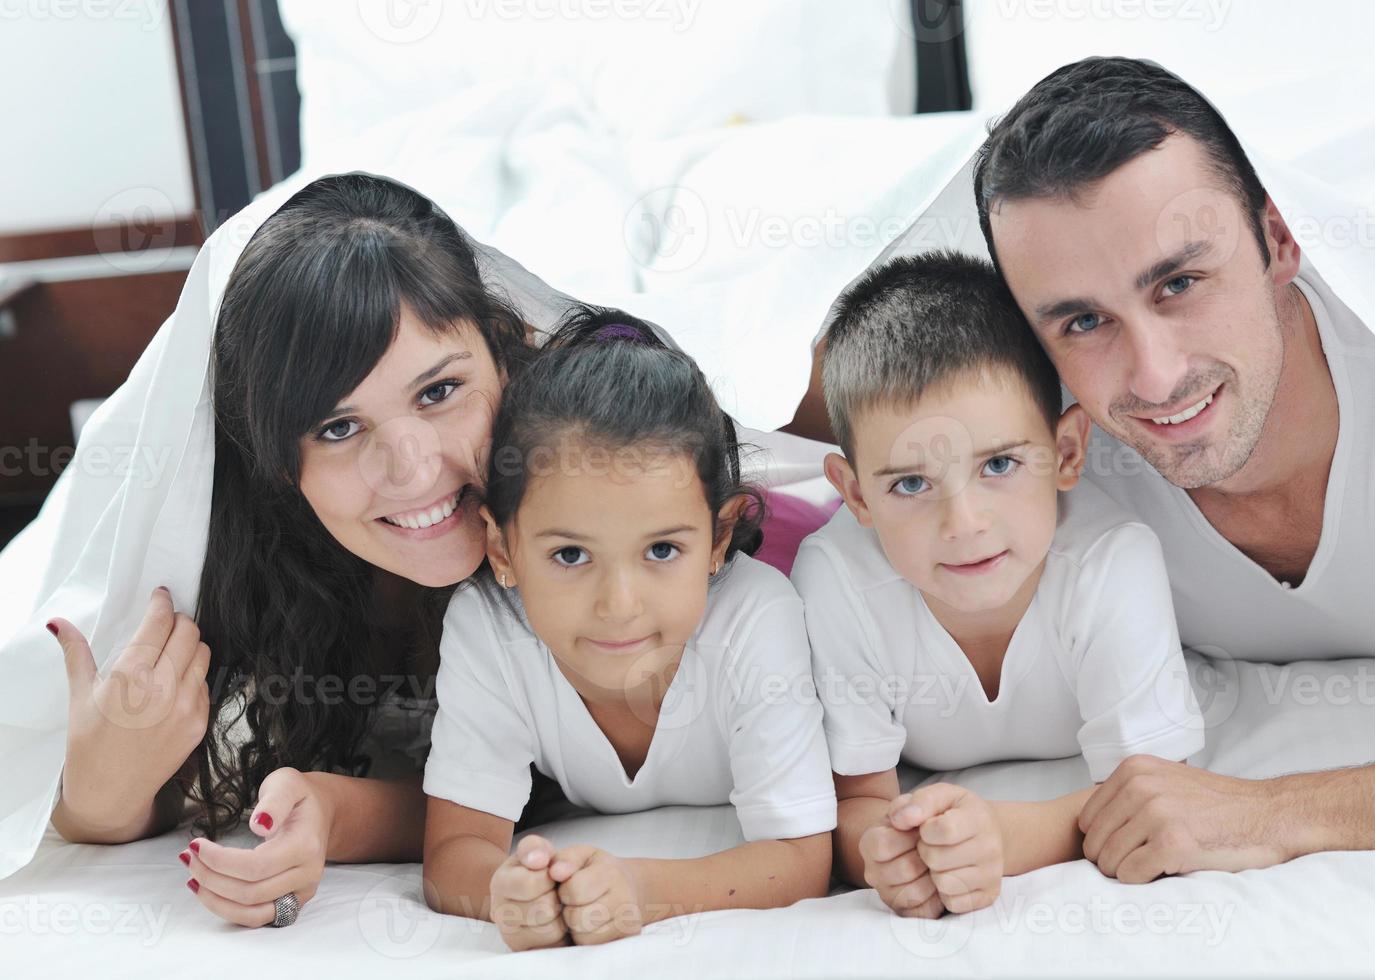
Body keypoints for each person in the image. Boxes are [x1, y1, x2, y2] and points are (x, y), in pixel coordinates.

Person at [967, 56, 1375, 880]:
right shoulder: (1031, 437)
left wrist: (1277, 812)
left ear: (1277, 241)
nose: (1154, 378)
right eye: (1084, 322)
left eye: (1179, 283)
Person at [45, 172, 537, 926]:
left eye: (438, 392)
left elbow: (556, 781)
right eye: (338, 428)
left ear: (507, 353)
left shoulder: (603, 488)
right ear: (277, 458)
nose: (412, 469)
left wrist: (336, 811)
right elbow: (72, 795)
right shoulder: (222, 574)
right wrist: (99, 794)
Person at [791, 250, 1202, 915]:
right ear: (854, 495)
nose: (964, 524)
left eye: (1000, 464)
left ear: (1065, 453)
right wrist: (893, 856)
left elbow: (1158, 795)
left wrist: (998, 839)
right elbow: (857, 803)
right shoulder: (837, 580)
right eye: (911, 483)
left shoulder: (1109, 561)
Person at [421, 307, 835, 950]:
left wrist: (641, 891)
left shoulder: (759, 614)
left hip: (792, 530)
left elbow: (801, 860)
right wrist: (513, 891)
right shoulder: (487, 626)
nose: (619, 605)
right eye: (570, 556)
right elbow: (455, 852)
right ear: (501, 551)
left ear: (719, 537)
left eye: (662, 550)